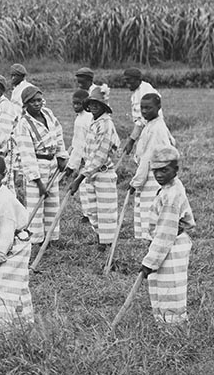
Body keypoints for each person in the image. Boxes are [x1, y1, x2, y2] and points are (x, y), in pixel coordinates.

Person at [0, 154, 33, 328]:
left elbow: (5, 239)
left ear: (4, 175)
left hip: (14, 246)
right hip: (12, 242)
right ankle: (22, 326)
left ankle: (0, 331)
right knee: (17, 285)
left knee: (3, 287)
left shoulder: (3, 201)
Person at [141, 147, 193, 325]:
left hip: (171, 245)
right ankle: (164, 323)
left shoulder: (171, 195)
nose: (159, 175)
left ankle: (173, 329)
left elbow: (165, 233)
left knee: (170, 288)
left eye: (165, 170)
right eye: (155, 170)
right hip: (167, 243)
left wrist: (149, 262)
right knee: (161, 285)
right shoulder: (169, 187)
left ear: (176, 170)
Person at [67, 88, 120, 247]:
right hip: (90, 173)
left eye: (98, 104)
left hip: (102, 173)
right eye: (92, 103)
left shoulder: (105, 124)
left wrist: (79, 178)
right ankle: (100, 239)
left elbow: (100, 156)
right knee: (92, 210)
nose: (95, 106)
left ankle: (107, 245)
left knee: (106, 212)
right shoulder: (93, 122)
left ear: (104, 107)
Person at [14, 86, 68, 244]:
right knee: (36, 205)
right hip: (37, 165)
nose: (37, 104)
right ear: (26, 104)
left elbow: (58, 134)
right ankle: (36, 241)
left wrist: (61, 155)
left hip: (52, 164)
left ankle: (51, 238)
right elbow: (26, 154)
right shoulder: (23, 124)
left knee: (52, 202)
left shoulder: (48, 113)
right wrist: (38, 182)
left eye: (39, 100)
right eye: (32, 102)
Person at [129, 93, 175, 240]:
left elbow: (147, 159)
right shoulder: (152, 124)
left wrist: (136, 182)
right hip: (152, 173)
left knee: (151, 213)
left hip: (153, 176)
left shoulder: (157, 128)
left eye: (148, 108)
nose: (144, 111)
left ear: (158, 107)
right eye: (142, 108)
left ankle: (153, 248)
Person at [65, 90, 93, 222]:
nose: (75, 106)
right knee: (84, 187)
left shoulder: (84, 119)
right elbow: (76, 142)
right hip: (85, 156)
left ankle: (89, 214)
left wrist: (71, 165)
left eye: (78, 103)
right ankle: (87, 213)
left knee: (86, 186)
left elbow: (80, 144)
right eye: (74, 103)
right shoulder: (81, 117)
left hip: (87, 157)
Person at [123, 68, 161, 155]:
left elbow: (141, 121)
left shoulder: (146, 93)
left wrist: (131, 141)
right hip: (147, 130)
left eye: (130, 81)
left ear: (138, 80)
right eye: (126, 81)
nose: (128, 84)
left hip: (152, 130)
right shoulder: (137, 91)